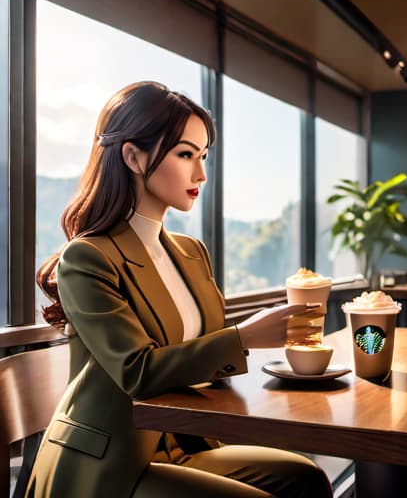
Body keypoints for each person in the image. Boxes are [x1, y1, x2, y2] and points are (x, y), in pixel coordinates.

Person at [26, 81, 333, 498]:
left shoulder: (191, 252)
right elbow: (137, 372)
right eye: (185, 154)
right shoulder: (88, 258)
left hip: (182, 444)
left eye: (203, 156)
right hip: (112, 462)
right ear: (133, 156)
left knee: (305, 478)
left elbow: (203, 351)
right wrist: (245, 337)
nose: (201, 174)